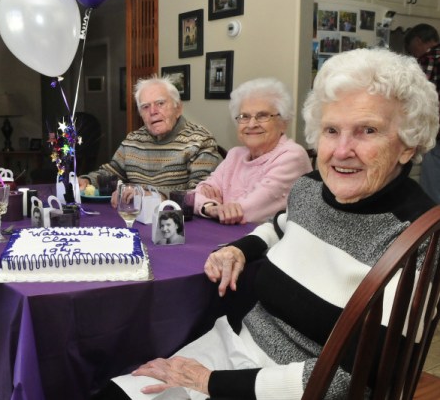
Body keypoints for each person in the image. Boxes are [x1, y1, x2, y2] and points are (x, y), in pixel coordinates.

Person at [102, 48, 439, 399]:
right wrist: (240, 249)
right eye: (331, 130)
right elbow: (279, 224)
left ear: (407, 144)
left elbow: (355, 379)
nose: (341, 150)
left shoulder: (417, 239)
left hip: (292, 387)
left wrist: (208, 382)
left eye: (368, 130)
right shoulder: (311, 189)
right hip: (236, 346)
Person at [78, 76, 221, 206]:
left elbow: (199, 194)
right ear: (140, 114)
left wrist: (151, 196)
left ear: (178, 108)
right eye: (145, 107)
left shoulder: (200, 141)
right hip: (134, 217)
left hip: (176, 224)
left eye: (160, 103)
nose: (153, 111)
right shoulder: (133, 140)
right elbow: (111, 172)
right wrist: (87, 181)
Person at [193, 78, 313, 224]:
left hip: (272, 243)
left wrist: (220, 208)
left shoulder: (292, 157)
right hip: (231, 238)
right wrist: (210, 207)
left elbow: (249, 212)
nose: (252, 124)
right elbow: (194, 196)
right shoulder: (235, 155)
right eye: (244, 116)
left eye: (262, 116)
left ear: (283, 123)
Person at [405, 23, 440, 203]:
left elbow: (418, 97)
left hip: (437, 134)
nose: (414, 56)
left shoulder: (429, 60)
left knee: (433, 193)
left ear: (418, 41)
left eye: (412, 51)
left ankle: (434, 228)